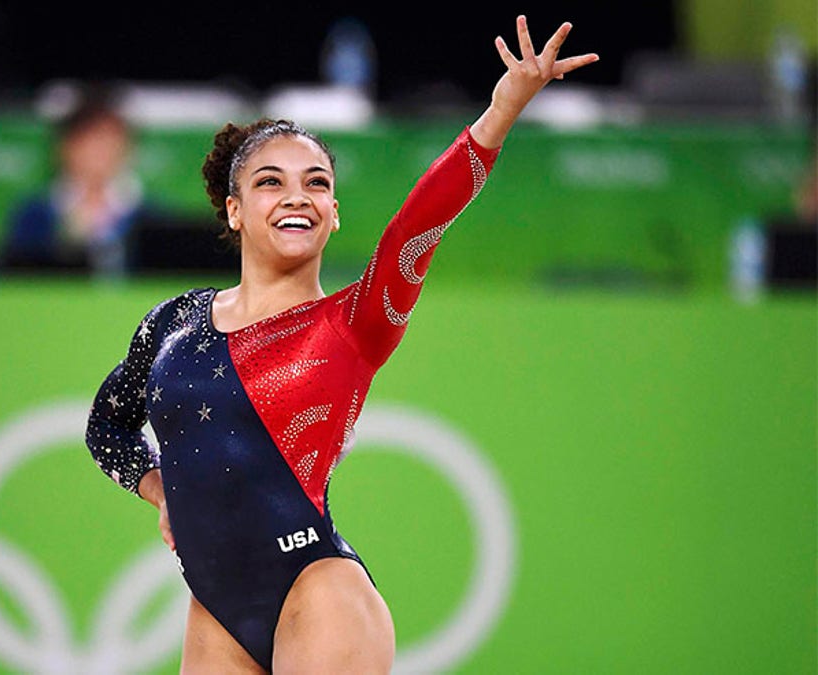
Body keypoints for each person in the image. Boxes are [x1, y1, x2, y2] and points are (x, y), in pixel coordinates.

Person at [85, 16, 597, 673]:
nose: (296, 196)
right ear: (234, 209)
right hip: (213, 608)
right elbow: (107, 425)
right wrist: (160, 491)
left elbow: (423, 218)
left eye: (317, 183)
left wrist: (499, 111)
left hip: (316, 591)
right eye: (270, 181)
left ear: (333, 212)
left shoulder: (356, 320)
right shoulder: (173, 320)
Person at [0, 90, 149, 278]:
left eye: (110, 141)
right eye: (89, 142)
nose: (100, 152)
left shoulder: (151, 215)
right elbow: (7, 273)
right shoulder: (33, 214)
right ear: (65, 148)